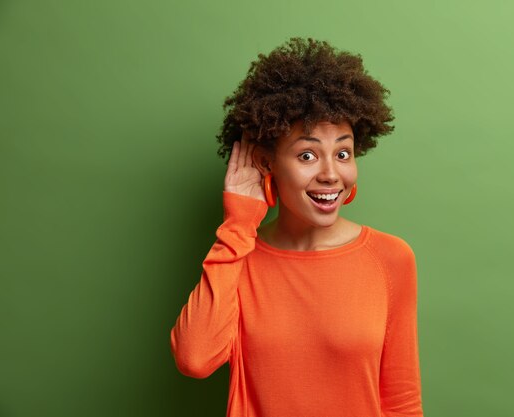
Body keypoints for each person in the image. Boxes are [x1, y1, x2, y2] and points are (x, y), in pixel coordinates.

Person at [170, 37, 424, 417]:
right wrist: (238, 225)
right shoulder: (240, 257)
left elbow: (401, 401)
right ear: (265, 162)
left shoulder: (390, 258)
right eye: (307, 155)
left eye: (343, 153)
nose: (330, 174)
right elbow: (195, 358)